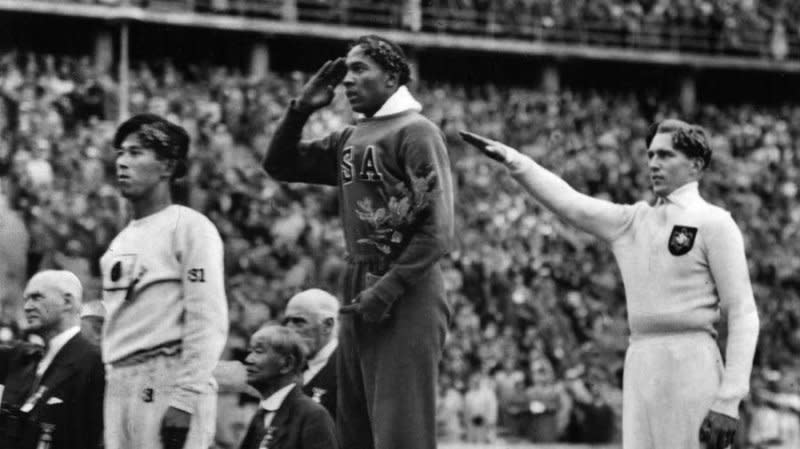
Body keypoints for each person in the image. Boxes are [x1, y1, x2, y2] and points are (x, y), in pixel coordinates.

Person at [460, 119, 760, 449]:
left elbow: (742, 312)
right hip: (640, 358)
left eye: (666, 155)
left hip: (691, 357)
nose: (654, 163)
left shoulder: (714, 222)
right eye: (650, 155)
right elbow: (570, 202)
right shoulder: (632, 221)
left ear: (695, 164)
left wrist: (729, 399)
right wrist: (515, 160)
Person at [262, 35, 454, 449]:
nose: (347, 80)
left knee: (401, 429)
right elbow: (279, 163)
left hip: (405, 283)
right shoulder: (349, 137)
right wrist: (301, 110)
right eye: (346, 70)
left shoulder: (416, 131)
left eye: (359, 69)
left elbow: (437, 230)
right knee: (356, 429)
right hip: (359, 281)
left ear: (391, 78)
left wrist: (386, 289)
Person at [101, 114, 229, 449]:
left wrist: (185, 398)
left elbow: (207, 318)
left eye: (136, 153)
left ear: (167, 167)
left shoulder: (189, 227)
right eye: (121, 153)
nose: (122, 162)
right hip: (120, 379)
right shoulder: (120, 241)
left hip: (166, 376)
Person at [0, 270, 104, 449]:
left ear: (67, 302)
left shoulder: (94, 363)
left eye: (36, 297)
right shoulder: (22, 357)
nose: (27, 307)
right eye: (26, 300)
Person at [239, 324, 337, 449]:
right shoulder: (261, 415)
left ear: (287, 364)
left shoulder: (313, 415)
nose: (248, 359)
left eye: (258, 351)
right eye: (250, 351)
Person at [281, 289, 339, 419]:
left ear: (327, 325)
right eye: (287, 322)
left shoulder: (347, 369)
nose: (289, 329)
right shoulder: (288, 367)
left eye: (298, 321)